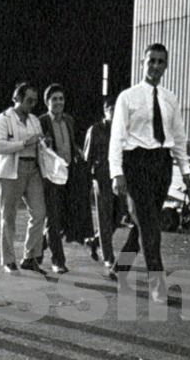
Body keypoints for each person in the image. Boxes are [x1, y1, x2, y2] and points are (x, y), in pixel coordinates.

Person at [109, 43, 190, 303]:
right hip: (136, 163)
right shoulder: (128, 97)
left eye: (160, 62)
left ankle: (120, 267)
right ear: (143, 64)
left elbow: (178, 137)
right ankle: (158, 285)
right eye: (151, 61)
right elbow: (117, 138)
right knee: (149, 224)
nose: (155, 66)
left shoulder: (170, 98)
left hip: (161, 164)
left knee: (146, 221)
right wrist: (117, 173)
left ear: (166, 66)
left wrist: (186, 171)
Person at [0, 82, 47, 275]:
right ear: (18, 98)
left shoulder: (34, 120)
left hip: (32, 169)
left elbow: (38, 143)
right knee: (9, 216)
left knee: (40, 213)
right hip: (11, 171)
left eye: (35, 101)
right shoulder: (3, 119)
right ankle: (8, 260)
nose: (32, 105)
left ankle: (30, 257)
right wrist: (25, 143)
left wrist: (42, 145)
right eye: (29, 100)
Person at [39, 84, 93, 274]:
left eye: (61, 98)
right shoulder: (42, 122)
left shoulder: (69, 121)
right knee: (53, 217)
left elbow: (71, 143)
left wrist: (78, 152)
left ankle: (37, 250)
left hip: (69, 175)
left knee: (62, 219)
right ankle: (58, 261)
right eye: (54, 99)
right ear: (47, 102)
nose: (59, 102)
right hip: (51, 176)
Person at [83, 96, 125, 268]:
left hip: (120, 178)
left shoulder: (123, 132)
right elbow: (87, 156)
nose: (115, 113)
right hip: (102, 177)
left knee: (119, 215)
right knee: (105, 217)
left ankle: (95, 241)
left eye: (117, 110)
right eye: (111, 109)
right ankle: (108, 256)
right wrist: (87, 180)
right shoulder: (96, 130)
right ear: (105, 111)